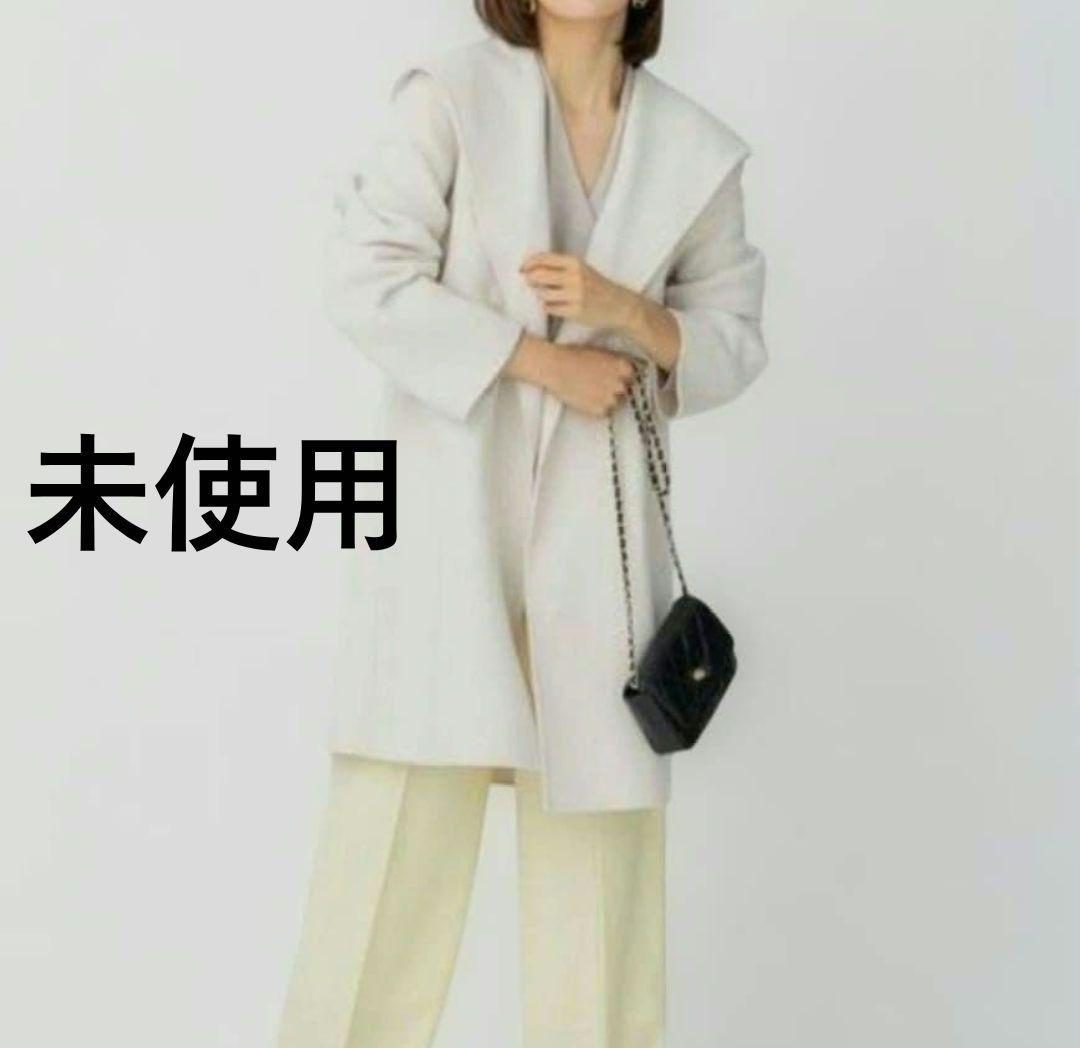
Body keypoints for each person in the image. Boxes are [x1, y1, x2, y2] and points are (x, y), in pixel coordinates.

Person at [278, 1, 767, 1044]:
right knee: (385, 870)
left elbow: (732, 341)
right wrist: (543, 361)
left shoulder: (694, 148)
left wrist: (629, 312)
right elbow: (364, 277)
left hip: (602, 560)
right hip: (454, 534)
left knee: (600, 926)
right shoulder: (449, 99)